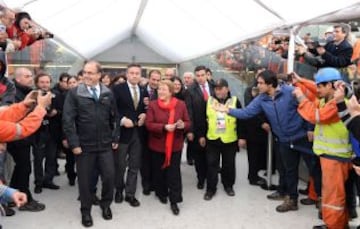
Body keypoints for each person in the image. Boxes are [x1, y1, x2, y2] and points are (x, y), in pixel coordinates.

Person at [214, 70, 314, 213]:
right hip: (284, 140)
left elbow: (308, 107)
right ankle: (292, 199)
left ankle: (324, 201)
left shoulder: (290, 91)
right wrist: (227, 110)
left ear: (270, 83)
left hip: (302, 137)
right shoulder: (262, 99)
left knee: (315, 169)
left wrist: (310, 128)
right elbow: (246, 113)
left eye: (260, 83)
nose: (258, 85)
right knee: (289, 171)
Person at [293, 67, 352, 229]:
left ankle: (333, 226)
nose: (317, 89)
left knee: (334, 197)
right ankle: (336, 223)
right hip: (330, 156)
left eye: (321, 86)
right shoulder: (329, 99)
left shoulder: (336, 105)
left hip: (335, 157)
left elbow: (315, 116)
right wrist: (301, 80)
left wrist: (300, 97)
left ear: (332, 86)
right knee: (332, 194)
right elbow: (315, 87)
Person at [63, 60, 119, 227]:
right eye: (85, 72)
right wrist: (74, 143)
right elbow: (67, 120)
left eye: (90, 72)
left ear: (99, 75)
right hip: (84, 146)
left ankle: (106, 205)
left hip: (105, 145)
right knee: (85, 181)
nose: (86, 75)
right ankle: (85, 211)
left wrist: (115, 138)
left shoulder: (108, 93)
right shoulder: (74, 93)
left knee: (109, 177)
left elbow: (115, 117)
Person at [145, 80, 190, 215]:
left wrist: (183, 125)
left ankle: (175, 200)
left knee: (174, 173)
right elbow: (148, 124)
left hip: (175, 145)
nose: (161, 92)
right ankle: (161, 193)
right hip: (157, 145)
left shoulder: (180, 105)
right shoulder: (153, 105)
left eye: (164, 89)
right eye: (159, 89)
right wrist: (163, 127)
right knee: (159, 172)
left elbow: (188, 122)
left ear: (171, 92)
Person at [7, 67, 46, 212]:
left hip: (23, 136)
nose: (31, 78)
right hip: (17, 137)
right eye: (27, 76)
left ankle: (11, 197)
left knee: (20, 168)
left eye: (31, 75)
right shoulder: (14, 93)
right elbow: (16, 115)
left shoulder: (25, 91)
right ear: (18, 79)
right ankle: (25, 200)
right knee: (24, 168)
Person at [112, 63, 147, 207]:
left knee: (134, 165)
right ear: (127, 74)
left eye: (137, 73)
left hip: (138, 133)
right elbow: (112, 109)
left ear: (140, 75)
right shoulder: (117, 89)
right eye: (132, 73)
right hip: (122, 134)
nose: (134, 75)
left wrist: (144, 114)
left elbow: (144, 108)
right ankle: (118, 190)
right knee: (120, 165)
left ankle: (130, 194)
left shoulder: (144, 90)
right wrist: (121, 120)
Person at [204, 78, 245, 200]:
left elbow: (242, 120)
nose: (218, 91)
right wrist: (201, 135)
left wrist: (242, 137)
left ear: (227, 89)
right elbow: (203, 118)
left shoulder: (235, 101)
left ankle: (228, 186)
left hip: (229, 139)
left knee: (229, 165)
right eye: (216, 89)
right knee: (211, 165)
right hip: (212, 138)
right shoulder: (209, 101)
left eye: (221, 88)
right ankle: (211, 189)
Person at [185, 65, 214, 189]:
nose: (201, 78)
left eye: (203, 75)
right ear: (195, 76)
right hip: (198, 127)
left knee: (212, 156)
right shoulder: (190, 90)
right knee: (199, 157)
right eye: (198, 76)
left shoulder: (214, 87)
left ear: (207, 74)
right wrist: (190, 130)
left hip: (214, 128)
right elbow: (189, 112)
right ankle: (201, 179)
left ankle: (211, 178)